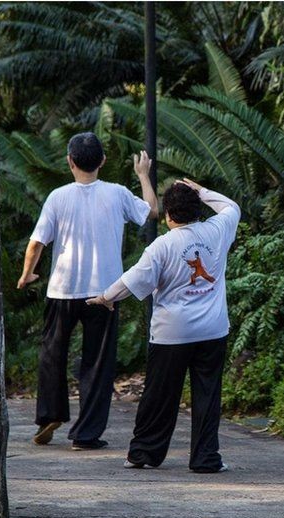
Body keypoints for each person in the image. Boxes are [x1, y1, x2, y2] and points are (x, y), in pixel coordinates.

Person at [87, 178, 239, 474]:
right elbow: (231, 206)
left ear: (168, 215)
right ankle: (205, 459)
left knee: (159, 395)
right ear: (198, 210)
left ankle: (144, 452)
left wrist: (106, 297)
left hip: (172, 334)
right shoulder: (218, 230)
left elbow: (132, 279)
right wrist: (203, 191)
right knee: (207, 395)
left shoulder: (162, 245)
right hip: (212, 330)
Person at [18, 132, 158, 451]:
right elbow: (151, 210)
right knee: (97, 361)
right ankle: (86, 434)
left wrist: (27, 274)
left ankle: (49, 414)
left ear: (70, 161)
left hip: (62, 290)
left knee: (52, 352)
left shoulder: (57, 197)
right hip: (104, 293)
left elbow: (37, 243)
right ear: (103, 162)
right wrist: (143, 175)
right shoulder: (117, 193)